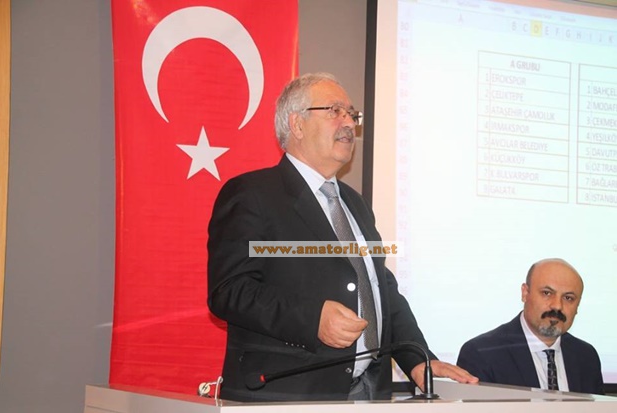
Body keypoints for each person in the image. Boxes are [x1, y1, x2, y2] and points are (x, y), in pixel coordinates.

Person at [207, 72, 477, 401]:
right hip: (287, 395)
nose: (349, 123)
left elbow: (380, 288)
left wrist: (417, 360)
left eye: (351, 114)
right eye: (335, 111)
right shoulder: (253, 194)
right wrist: (312, 319)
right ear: (297, 124)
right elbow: (230, 291)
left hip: (368, 392)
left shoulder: (354, 203)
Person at [456, 258, 604, 394]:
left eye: (568, 298)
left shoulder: (586, 356)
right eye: (547, 293)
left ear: (577, 306)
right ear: (525, 293)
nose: (557, 306)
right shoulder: (482, 354)